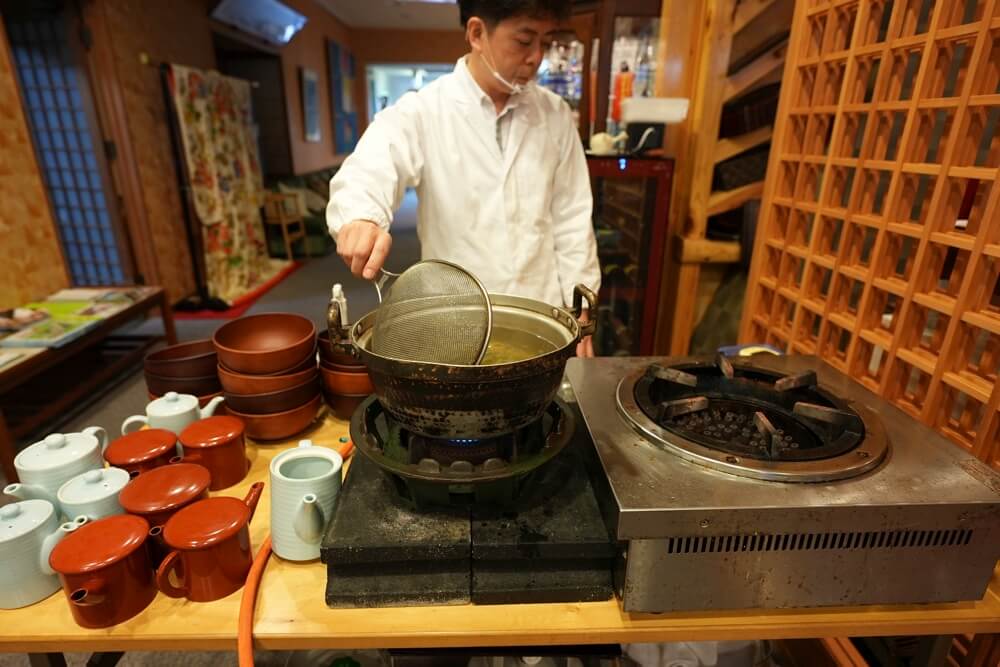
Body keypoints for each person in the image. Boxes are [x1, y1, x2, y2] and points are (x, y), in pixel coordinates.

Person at [327, 0, 600, 357]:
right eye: (523, 41)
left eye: (545, 43)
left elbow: (572, 215)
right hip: (456, 319)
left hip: (541, 310)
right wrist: (360, 216)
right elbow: (373, 163)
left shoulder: (555, 113)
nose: (536, 58)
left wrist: (581, 305)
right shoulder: (424, 110)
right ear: (476, 33)